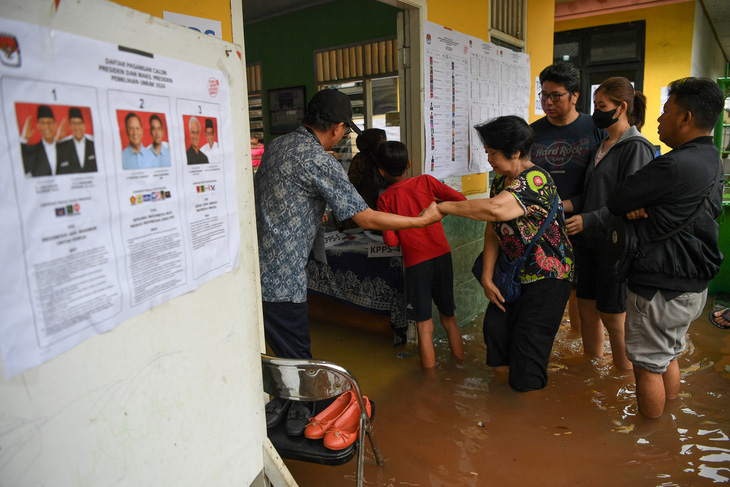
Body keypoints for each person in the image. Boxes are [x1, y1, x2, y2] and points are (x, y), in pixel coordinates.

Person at [255, 88, 441, 434]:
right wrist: (419, 221)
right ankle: (307, 412)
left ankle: (288, 402)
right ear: (339, 128)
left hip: (256, 271)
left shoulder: (277, 145)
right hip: (283, 276)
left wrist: (311, 212)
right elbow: (366, 218)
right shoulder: (319, 159)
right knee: (297, 355)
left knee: (280, 348)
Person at [606, 77, 724, 418]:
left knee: (646, 366)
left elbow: (617, 199)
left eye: (666, 111)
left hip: (660, 286)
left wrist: (641, 207)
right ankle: (669, 425)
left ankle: (650, 448)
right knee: (669, 355)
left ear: (686, 118)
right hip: (693, 285)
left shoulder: (671, 164)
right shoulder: (712, 159)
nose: (658, 118)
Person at [431, 116, 574, 392]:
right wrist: (487, 277)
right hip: (513, 273)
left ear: (516, 152)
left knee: (527, 347)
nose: (490, 160)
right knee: (496, 333)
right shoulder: (502, 181)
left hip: (547, 278)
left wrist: (443, 207)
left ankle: (523, 418)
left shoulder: (536, 179)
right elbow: (494, 228)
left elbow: (496, 209)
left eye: (493, 153)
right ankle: (501, 405)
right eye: (487, 153)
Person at [563, 77, 654, 370]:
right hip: (589, 241)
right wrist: (561, 205)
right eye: (595, 105)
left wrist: (588, 219)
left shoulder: (635, 147)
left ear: (622, 107)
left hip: (615, 244)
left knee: (613, 315)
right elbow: (591, 193)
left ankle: (624, 379)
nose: (596, 112)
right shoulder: (603, 145)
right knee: (586, 306)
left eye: (602, 106)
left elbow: (630, 200)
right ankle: (592, 372)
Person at [375, 140, 466, 369]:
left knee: (425, 327)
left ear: (381, 170)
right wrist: (436, 213)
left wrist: (402, 226)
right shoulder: (426, 181)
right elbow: (460, 201)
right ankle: (460, 366)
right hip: (442, 255)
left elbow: (391, 240)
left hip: (416, 264)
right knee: (449, 318)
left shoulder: (385, 199)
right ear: (408, 163)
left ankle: (430, 384)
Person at [531, 63, 605, 334]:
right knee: (548, 288)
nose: (548, 102)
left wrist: (576, 209)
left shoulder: (595, 129)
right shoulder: (533, 133)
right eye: (544, 95)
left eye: (556, 95)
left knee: (583, 294)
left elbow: (605, 182)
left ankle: (580, 346)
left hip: (583, 223)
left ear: (574, 96)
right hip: (542, 226)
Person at [348, 128, 387, 209]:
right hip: (363, 206)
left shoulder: (380, 157)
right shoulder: (361, 160)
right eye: (382, 139)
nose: (385, 141)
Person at [21, 105, 60, 177]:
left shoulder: (66, 148)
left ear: (55, 125)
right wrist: (24, 139)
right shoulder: (32, 151)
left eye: (49, 122)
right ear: (38, 126)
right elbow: (20, 167)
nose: (46, 127)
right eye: (42, 123)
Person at [57, 107, 97, 174]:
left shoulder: (93, 141)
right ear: (70, 125)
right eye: (74, 123)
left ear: (84, 125)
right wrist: (57, 138)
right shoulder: (62, 145)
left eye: (79, 123)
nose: (77, 127)